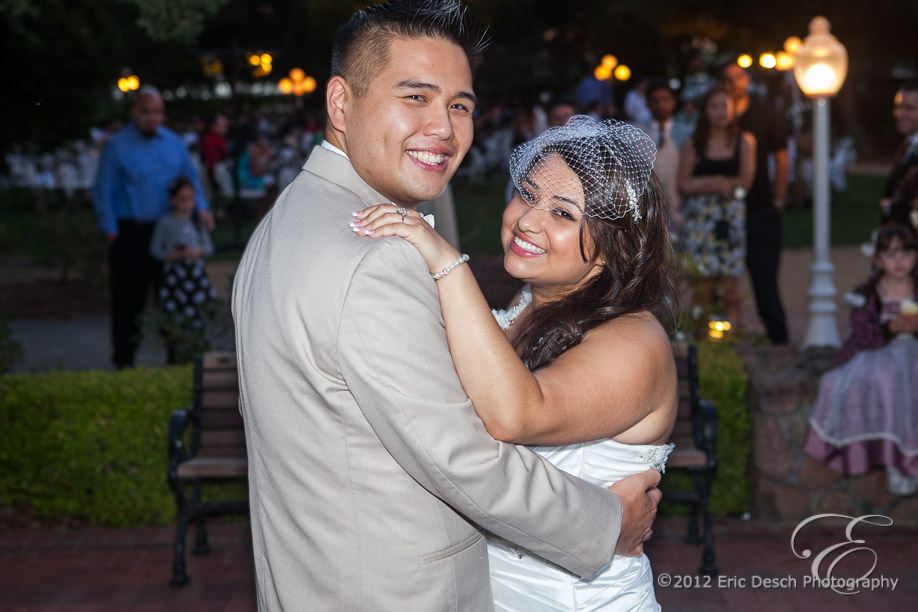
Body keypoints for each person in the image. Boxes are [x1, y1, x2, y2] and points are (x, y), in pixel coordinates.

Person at [230, 2, 661, 610]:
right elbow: (465, 458)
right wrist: (606, 522)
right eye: (416, 97)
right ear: (339, 103)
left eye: (460, 105)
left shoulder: (286, 221)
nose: (445, 128)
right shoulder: (373, 256)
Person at [353, 116, 677, 610]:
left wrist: (445, 261)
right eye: (527, 194)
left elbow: (515, 413)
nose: (527, 220)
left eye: (563, 214)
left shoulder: (637, 340)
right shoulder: (524, 308)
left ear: (615, 248)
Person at [92, 86, 213, 369]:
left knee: (174, 297)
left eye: (157, 112)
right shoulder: (117, 145)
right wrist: (110, 229)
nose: (151, 117)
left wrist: (202, 208)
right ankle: (124, 364)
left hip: (170, 230)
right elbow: (103, 191)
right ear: (134, 111)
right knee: (127, 300)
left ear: (163, 115)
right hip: (130, 232)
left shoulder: (174, 143)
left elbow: (191, 179)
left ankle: (177, 360)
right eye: (146, 111)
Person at [804, 224, 918, 495]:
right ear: (877, 260)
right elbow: (863, 332)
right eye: (890, 254)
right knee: (880, 380)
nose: (899, 261)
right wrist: (890, 328)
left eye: (905, 253)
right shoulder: (869, 294)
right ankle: (894, 460)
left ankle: (909, 455)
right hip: (880, 352)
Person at [722, 63, 789, 344]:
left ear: (747, 80)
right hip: (725, 211)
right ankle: (725, 339)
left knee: (764, 281)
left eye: (739, 77)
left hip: (760, 208)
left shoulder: (765, 114)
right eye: (728, 79)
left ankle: (779, 339)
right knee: (723, 282)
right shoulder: (719, 117)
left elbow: (782, 157)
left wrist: (778, 197)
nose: (735, 83)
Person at [678, 85, 755, 330]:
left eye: (724, 106)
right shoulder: (694, 143)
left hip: (730, 219)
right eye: (714, 106)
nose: (720, 112)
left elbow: (744, 184)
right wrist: (718, 184)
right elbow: (683, 184)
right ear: (705, 111)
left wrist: (710, 183)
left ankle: (731, 341)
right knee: (703, 285)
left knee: (729, 285)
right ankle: (703, 344)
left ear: (733, 109)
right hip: (700, 220)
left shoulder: (744, 141)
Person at [149, 177, 216, 364]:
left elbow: (209, 248)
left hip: (195, 278)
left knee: (197, 316)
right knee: (175, 318)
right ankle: (174, 359)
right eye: (182, 199)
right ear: (173, 200)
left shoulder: (197, 221)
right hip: (175, 279)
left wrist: (197, 252)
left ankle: (196, 357)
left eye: (190, 199)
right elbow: (155, 250)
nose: (187, 204)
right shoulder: (165, 222)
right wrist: (176, 254)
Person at [636, 81, 693, 218]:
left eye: (665, 100)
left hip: (678, 209)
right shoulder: (636, 133)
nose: (661, 105)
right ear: (648, 104)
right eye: (655, 100)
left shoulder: (687, 134)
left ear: (674, 102)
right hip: (645, 210)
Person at [881, 80, 918, 218]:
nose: (900, 113)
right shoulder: (907, 144)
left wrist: (892, 208)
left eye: (909, 108)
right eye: (898, 106)